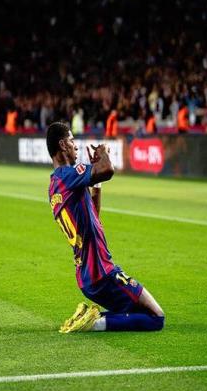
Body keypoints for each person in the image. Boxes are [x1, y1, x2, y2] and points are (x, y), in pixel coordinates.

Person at [46, 122, 165, 333]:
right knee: (156, 317)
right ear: (63, 145)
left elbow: (93, 215)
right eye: (72, 141)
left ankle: (88, 317)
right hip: (102, 272)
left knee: (135, 314)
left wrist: (97, 185)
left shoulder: (55, 185)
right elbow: (107, 169)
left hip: (87, 277)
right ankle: (94, 323)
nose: (76, 146)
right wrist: (103, 153)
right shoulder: (68, 174)